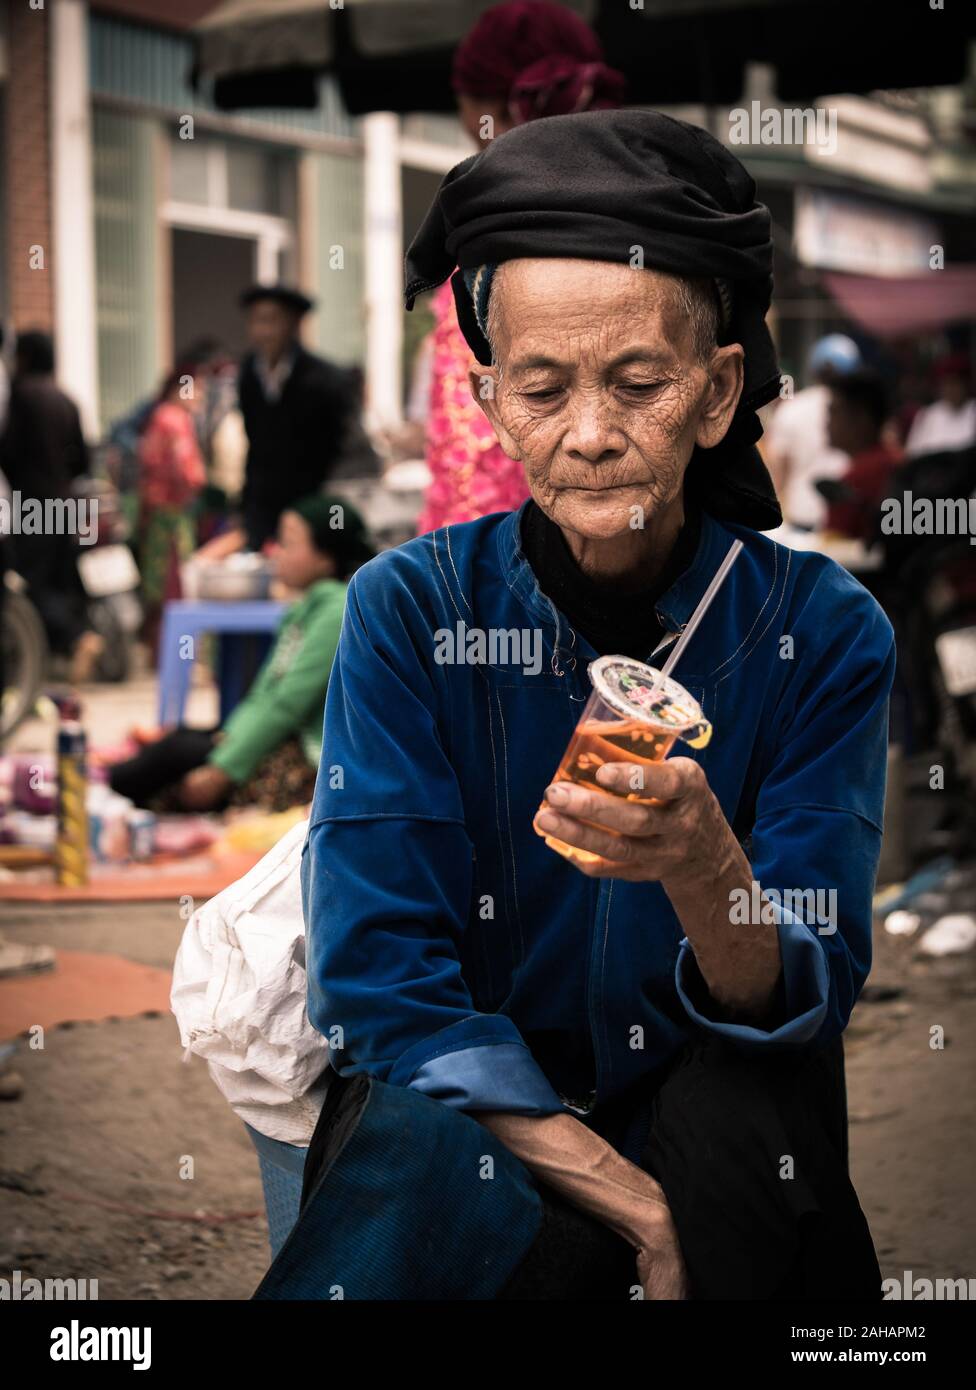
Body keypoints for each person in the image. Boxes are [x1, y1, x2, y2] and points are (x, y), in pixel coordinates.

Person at [290, 110, 896, 1303]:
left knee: (745, 1147)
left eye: (638, 383)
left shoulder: (822, 632)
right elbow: (377, 977)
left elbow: (807, 981)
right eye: (541, 387)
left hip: (708, 1086)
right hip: (481, 1103)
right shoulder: (407, 611)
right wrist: (633, 1206)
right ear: (490, 401)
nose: (589, 436)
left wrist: (703, 862)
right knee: (418, 1153)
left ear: (718, 392)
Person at [416, 0, 626, 534]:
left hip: (510, 549)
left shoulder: (503, 229)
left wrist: (455, 573)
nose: (470, 130)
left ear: (509, 110)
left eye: (470, 109)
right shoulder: (618, 210)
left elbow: (474, 453)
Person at [109, 495, 374, 814]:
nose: (276, 552)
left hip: (303, 759)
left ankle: (103, 784)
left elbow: (287, 704)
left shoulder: (335, 610)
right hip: (277, 742)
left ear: (325, 557)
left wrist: (224, 768)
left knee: (172, 758)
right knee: (180, 744)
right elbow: (265, 694)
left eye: (289, 543)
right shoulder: (307, 608)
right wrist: (230, 737)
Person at [0, 330, 102, 683]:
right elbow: (83, 461)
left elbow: (8, 453)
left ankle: (75, 638)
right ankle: (69, 645)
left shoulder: (21, 396)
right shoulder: (67, 400)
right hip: (66, 504)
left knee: (30, 585)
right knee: (62, 584)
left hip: (32, 506)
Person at [237, 285, 354, 551]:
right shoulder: (247, 375)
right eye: (256, 321)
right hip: (262, 508)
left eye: (272, 320)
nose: (263, 331)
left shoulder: (325, 379)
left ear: (294, 324)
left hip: (312, 504)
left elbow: (343, 449)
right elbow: (254, 444)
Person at [136, 366, 207, 658]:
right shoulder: (176, 420)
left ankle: (159, 651)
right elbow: (188, 472)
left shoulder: (158, 416)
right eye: (197, 389)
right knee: (176, 585)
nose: (200, 396)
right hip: (172, 515)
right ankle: (176, 654)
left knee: (159, 584)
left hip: (155, 512)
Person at [764, 333, 862, 530]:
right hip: (847, 520)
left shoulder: (792, 409)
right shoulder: (859, 413)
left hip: (800, 519)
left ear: (815, 370)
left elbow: (777, 474)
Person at [824, 369, 902, 543]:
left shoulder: (858, 477)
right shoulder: (898, 461)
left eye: (834, 412)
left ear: (861, 418)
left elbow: (835, 543)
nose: (827, 421)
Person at [904, 352, 976, 458]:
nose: (951, 389)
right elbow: (912, 453)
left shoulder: (973, 410)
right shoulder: (928, 415)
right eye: (946, 384)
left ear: (966, 384)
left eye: (955, 383)